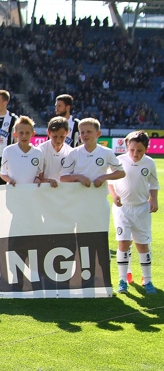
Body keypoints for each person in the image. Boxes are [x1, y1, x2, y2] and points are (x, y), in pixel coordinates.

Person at [108, 131, 159, 295]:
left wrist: (154, 199)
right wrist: (115, 196)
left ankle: (148, 280)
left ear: (146, 149)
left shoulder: (150, 163)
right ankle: (123, 280)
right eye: (132, 150)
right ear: (127, 147)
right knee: (123, 243)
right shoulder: (119, 161)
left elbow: (153, 184)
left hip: (141, 209)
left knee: (142, 245)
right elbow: (110, 182)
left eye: (140, 151)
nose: (135, 154)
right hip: (123, 209)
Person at [60, 118, 125, 188]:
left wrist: (104, 177)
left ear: (98, 134)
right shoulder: (73, 153)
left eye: (89, 132)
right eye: (82, 132)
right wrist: (78, 177)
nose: (85, 135)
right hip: (78, 196)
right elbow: (63, 178)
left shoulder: (107, 152)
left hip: (99, 196)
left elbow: (121, 173)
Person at [0, 116, 43, 186]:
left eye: (27, 133)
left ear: (33, 134)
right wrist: (10, 180)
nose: (24, 136)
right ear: (15, 134)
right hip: (13, 192)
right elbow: (3, 174)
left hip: (30, 193)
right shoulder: (8, 151)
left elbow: (39, 174)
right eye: (21, 133)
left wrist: (37, 179)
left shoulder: (38, 153)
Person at [37, 116, 72, 186]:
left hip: (63, 192)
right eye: (55, 136)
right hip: (44, 192)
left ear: (67, 133)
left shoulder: (71, 152)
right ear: (48, 133)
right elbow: (37, 177)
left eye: (62, 136)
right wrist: (47, 181)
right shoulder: (40, 150)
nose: (58, 140)